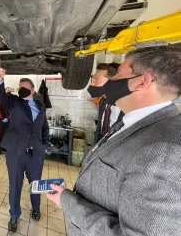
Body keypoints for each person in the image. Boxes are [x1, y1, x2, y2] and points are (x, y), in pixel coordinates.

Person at [47, 45, 181, 236]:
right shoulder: (136, 123)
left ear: (142, 82)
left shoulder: (166, 151)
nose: (111, 81)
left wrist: (68, 202)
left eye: (118, 73)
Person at [0, 61, 49, 233]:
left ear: (33, 90)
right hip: (16, 153)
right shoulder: (14, 102)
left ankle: (36, 209)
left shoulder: (40, 106)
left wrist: (45, 145)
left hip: (35, 155)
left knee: (36, 184)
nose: (22, 90)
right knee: (15, 185)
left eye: (25, 87)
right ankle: (14, 217)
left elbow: (44, 127)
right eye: (20, 87)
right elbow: (1, 98)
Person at [87, 62, 124, 144]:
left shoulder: (129, 107)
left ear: (113, 82)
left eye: (96, 80)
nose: (92, 84)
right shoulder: (103, 102)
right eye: (93, 80)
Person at [0, 87, 12, 156]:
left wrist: (8, 118)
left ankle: (7, 149)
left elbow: (12, 110)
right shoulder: (1, 99)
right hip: (2, 120)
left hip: (10, 121)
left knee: (8, 136)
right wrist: (3, 118)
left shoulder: (12, 100)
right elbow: (0, 109)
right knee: (0, 135)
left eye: (9, 91)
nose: (8, 92)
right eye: (7, 90)